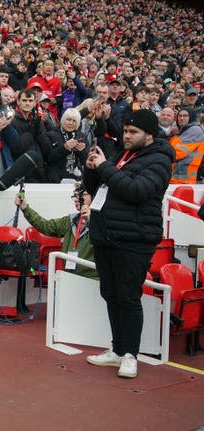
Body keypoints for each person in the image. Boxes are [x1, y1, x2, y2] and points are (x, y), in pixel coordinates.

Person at [83, 109, 175, 379]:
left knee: (128, 297)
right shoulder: (121, 155)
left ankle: (131, 355)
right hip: (106, 236)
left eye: (133, 132)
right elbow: (97, 184)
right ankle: (117, 349)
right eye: (125, 131)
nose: (127, 136)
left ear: (149, 134)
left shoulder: (159, 159)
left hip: (134, 239)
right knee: (110, 295)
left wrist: (105, 168)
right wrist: (92, 168)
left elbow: (137, 191)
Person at [14, 182, 98, 280]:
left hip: (93, 280)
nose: (76, 199)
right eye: (74, 196)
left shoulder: (104, 222)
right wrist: (25, 207)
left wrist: (93, 221)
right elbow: (45, 226)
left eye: (81, 195)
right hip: (69, 278)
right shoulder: (70, 220)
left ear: (94, 197)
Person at [168, 108, 204, 184]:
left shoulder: (194, 130)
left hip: (182, 177)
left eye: (185, 116)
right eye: (179, 116)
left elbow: (178, 152)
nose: (181, 118)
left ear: (191, 117)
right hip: (177, 175)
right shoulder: (183, 130)